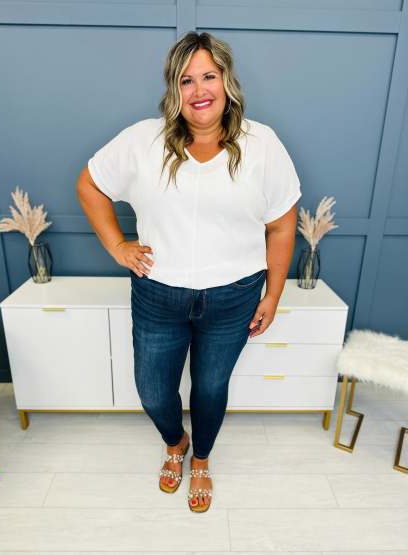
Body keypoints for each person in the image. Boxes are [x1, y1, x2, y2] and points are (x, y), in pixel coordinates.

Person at [76, 31, 302, 513]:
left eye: (208, 76)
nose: (199, 90)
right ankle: (175, 442)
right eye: (186, 80)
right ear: (173, 88)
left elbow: (283, 225)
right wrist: (117, 245)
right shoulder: (143, 140)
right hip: (158, 296)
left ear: (226, 80)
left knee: (211, 389)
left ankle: (200, 458)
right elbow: (90, 184)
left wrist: (273, 294)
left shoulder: (262, 144)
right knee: (153, 392)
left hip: (234, 296)